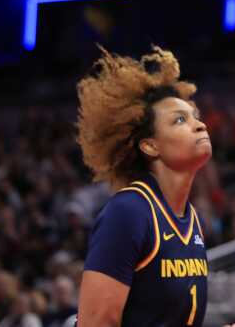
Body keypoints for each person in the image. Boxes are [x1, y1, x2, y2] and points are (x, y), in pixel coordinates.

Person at [75, 48, 212, 327]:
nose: (200, 125)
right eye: (180, 120)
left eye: (195, 116)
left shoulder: (191, 218)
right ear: (150, 145)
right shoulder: (130, 211)